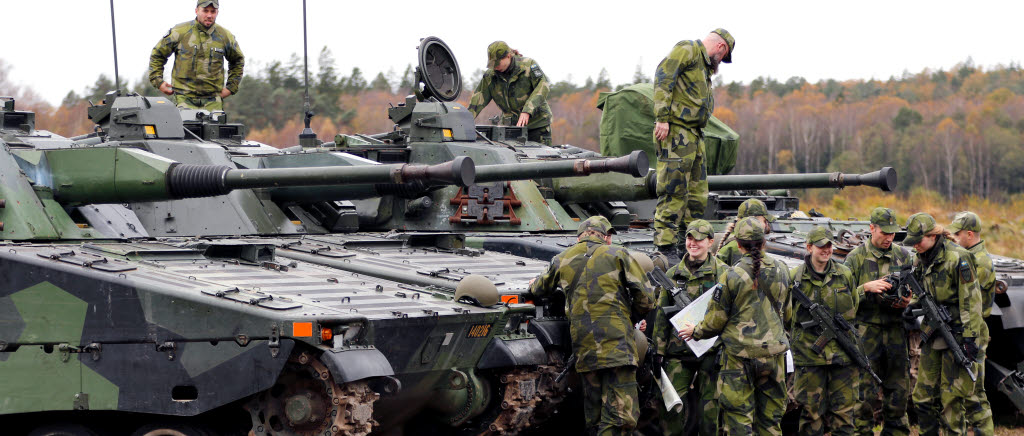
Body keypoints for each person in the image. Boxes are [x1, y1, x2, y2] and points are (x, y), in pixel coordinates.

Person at [528, 216, 655, 435]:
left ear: (579, 237)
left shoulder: (561, 258)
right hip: (618, 348)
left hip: (584, 348)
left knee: (594, 415)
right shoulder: (618, 254)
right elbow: (647, 299)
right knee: (621, 417)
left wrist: (534, 284)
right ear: (606, 237)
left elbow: (538, 289)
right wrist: (628, 319)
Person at [678, 216, 791, 435]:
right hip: (774, 356)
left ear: (738, 244)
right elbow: (787, 314)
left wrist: (696, 332)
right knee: (770, 422)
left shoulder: (731, 275)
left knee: (738, 420)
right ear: (764, 241)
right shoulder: (783, 269)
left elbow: (715, 320)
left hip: (740, 359)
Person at [897, 213, 983, 436]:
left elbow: (971, 300)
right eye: (913, 241)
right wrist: (912, 306)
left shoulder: (959, 258)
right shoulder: (921, 258)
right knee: (922, 397)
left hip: (957, 334)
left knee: (951, 402)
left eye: (919, 240)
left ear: (933, 236)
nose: (915, 246)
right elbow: (923, 292)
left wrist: (970, 338)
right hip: (932, 333)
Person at [652, 28, 735, 259]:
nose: (720, 63)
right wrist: (662, 117)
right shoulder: (688, 49)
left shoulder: (703, 66)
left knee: (697, 195)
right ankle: (665, 247)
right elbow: (664, 75)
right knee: (673, 189)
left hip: (695, 134)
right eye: (723, 56)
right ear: (721, 47)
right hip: (676, 129)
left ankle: (686, 244)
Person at [651, 219, 729, 436]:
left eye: (699, 239)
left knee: (710, 413)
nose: (693, 243)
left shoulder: (723, 273)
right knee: (670, 408)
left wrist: (726, 346)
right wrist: (658, 352)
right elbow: (661, 316)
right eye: (689, 238)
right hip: (678, 352)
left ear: (710, 242)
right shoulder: (673, 274)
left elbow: (731, 314)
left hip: (711, 352)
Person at [843, 207, 914, 436]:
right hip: (866, 332)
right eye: (885, 232)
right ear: (872, 228)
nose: (889, 238)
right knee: (864, 393)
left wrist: (907, 302)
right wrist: (865, 288)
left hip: (895, 331)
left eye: (893, 233)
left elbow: (917, 291)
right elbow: (841, 298)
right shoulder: (855, 258)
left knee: (898, 391)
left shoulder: (903, 256)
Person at [789, 226, 859, 436]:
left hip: (842, 356)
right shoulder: (795, 278)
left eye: (829, 245)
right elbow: (785, 314)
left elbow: (854, 307)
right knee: (811, 416)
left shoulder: (844, 274)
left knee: (845, 415)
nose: (826, 250)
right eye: (821, 246)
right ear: (809, 247)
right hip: (809, 357)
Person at [149, 0, 244, 111]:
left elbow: (237, 61)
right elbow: (158, 54)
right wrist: (158, 82)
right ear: (196, 10)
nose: (209, 15)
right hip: (184, 98)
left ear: (217, 12)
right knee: (185, 127)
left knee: (214, 128)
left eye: (213, 11)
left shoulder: (224, 36)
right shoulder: (180, 32)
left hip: (213, 101)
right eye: (205, 11)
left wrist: (230, 88)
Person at [949, 211, 995, 435]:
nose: (953, 237)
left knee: (974, 391)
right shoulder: (969, 257)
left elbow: (969, 300)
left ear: (969, 234)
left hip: (974, 330)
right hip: (967, 328)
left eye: (957, 234)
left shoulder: (980, 262)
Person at [467, 41, 553, 145]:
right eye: (493, 64)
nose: (495, 67)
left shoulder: (528, 66)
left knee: (540, 159)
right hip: (511, 128)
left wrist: (527, 110)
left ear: (508, 56)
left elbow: (543, 86)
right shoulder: (490, 76)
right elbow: (478, 99)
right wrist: (465, 120)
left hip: (537, 126)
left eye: (498, 63)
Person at [717, 198, 774, 266]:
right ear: (753, 221)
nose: (766, 225)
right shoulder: (740, 246)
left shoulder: (739, 240)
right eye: (764, 221)